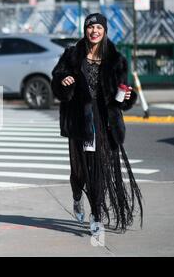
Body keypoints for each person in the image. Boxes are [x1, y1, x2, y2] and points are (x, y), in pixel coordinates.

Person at [51, 13, 143, 236]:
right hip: (79, 121)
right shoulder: (72, 55)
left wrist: (127, 96)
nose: (94, 32)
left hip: (104, 122)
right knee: (80, 172)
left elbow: (124, 97)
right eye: (91, 27)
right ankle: (76, 197)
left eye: (99, 28)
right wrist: (64, 82)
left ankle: (96, 216)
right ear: (85, 30)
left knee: (99, 171)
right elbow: (57, 80)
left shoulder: (116, 59)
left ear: (104, 31)